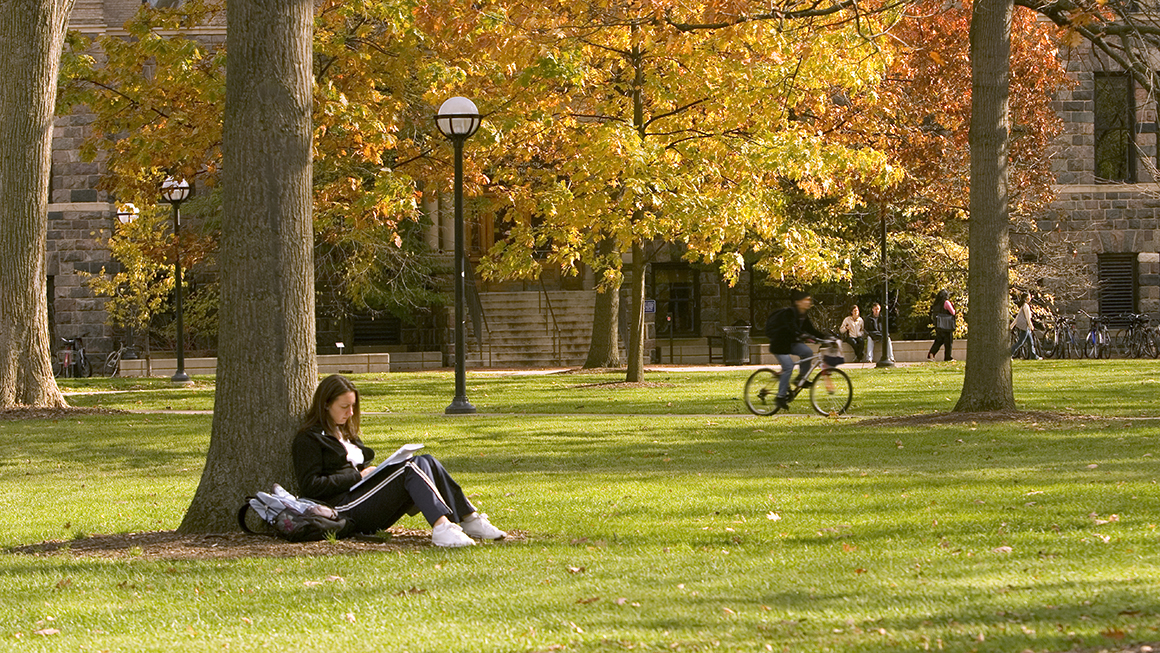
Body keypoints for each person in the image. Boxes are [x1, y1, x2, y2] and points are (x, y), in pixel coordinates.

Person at [292, 374, 506, 548]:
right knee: (409, 468)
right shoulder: (309, 439)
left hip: (364, 497)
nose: (350, 412)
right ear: (326, 404)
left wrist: (373, 473)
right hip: (343, 508)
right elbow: (311, 486)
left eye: (353, 406)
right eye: (344, 407)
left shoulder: (347, 434)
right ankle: (441, 526)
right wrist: (358, 476)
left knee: (426, 460)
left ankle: (469, 518)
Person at [764, 290, 831, 409]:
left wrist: (827, 337)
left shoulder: (803, 316)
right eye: (806, 300)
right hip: (779, 345)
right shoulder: (789, 313)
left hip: (791, 344)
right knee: (788, 366)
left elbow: (812, 330)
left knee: (807, 352)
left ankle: (801, 378)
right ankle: (780, 397)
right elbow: (791, 328)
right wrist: (802, 334)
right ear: (798, 302)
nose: (808, 302)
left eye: (809, 300)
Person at [1010, 291, 1042, 359]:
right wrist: (1031, 326)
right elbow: (1027, 318)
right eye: (1029, 296)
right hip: (1025, 326)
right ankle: (1009, 353)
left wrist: (1012, 325)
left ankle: (1034, 356)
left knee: (1030, 342)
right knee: (1020, 342)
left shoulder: (1023, 306)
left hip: (1025, 326)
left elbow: (1017, 317)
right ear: (1026, 298)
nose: (1030, 298)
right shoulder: (1025, 306)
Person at [928, 289, 956, 361]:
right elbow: (953, 312)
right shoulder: (946, 302)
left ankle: (931, 353)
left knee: (939, 340)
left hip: (939, 325)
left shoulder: (936, 304)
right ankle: (948, 357)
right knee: (948, 342)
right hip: (947, 325)